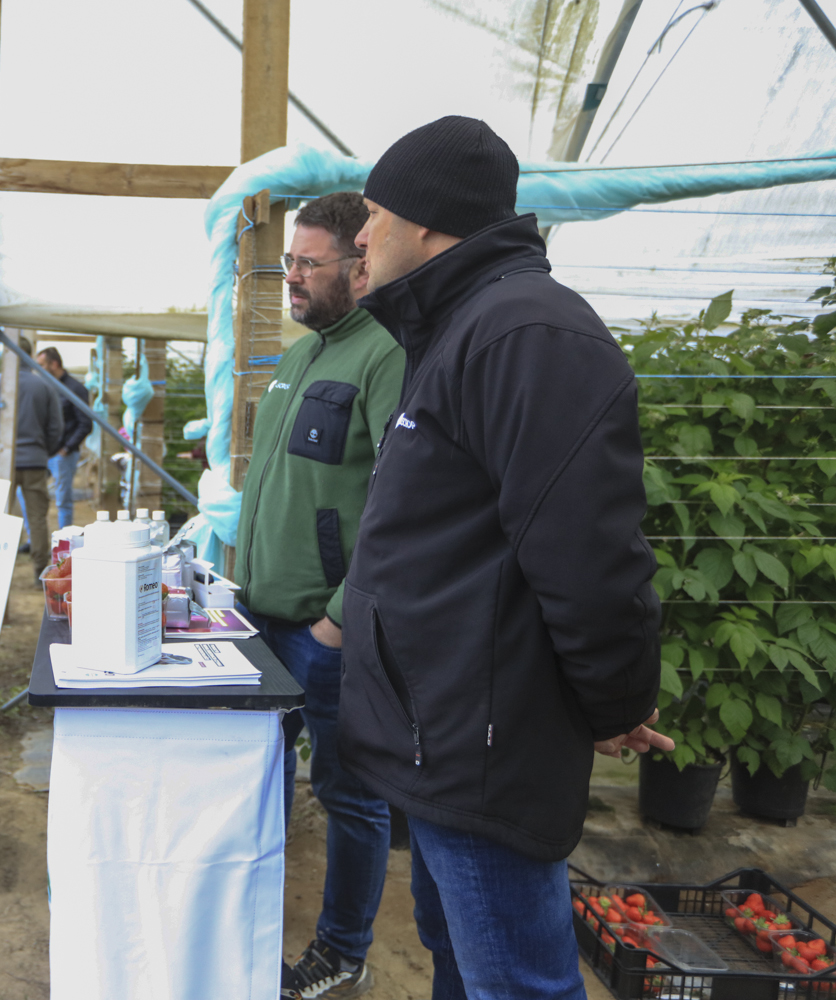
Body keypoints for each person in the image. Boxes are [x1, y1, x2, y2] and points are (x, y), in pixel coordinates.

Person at [339, 116, 672, 999]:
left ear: (427, 222)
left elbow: (588, 558)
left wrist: (613, 701)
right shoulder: (459, 329)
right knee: (460, 956)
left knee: (516, 983)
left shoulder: (525, 333)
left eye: (374, 214)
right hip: (445, 732)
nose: (361, 235)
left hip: (481, 743)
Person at [234, 193, 403, 998]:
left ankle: (342, 951)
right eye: (287, 263)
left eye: (308, 263)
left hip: (324, 631)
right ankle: (244, 929)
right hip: (262, 619)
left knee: (350, 795)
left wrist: (340, 618)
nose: (292, 278)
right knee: (255, 777)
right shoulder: (299, 358)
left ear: (359, 265)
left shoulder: (385, 355)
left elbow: (402, 502)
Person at [0, 337, 63, 579]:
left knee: (1, 515)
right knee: (37, 517)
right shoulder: (44, 386)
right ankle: (40, 570)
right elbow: (56, 427)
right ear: (29, 356)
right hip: (34, 461)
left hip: (1, 462)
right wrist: (44, 451)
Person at [36, 346, 90, 529]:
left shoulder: (75, 388)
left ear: (54, 364)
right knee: (31, 497)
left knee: (62, 501)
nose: (38, 369)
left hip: (62, 455)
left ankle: (64, 539)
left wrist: (66, 449)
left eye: (42, 365)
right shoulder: (44, 386)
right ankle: (34, 539)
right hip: (42, 452)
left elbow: (85, 424)